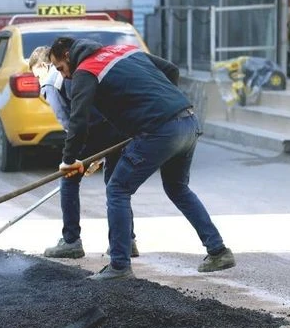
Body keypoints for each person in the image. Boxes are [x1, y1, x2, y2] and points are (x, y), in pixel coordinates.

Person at [49, 36, 234, 280]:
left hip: (160, 131)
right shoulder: (124, 51)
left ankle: (119, 266)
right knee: (177, 188)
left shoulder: (86, 70)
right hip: (188, 120)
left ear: (68, 56)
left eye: (61, 68)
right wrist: (163, 104)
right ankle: (218, 251)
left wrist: (69, 159)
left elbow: (78, 120)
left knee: (117, 189)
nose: (64, 77)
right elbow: (171, 70)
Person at [30, 46, 136, 261]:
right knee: (116, 186)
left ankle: (71, 241)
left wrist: (78, 157)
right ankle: (126, 241)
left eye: (35, 74)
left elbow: (69, 122)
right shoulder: (79, 71)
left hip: (91, 131)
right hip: (116, 128)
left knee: (68, 179)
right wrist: (96, 155)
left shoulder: (51, 81)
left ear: (43, 65)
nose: (37, 80)